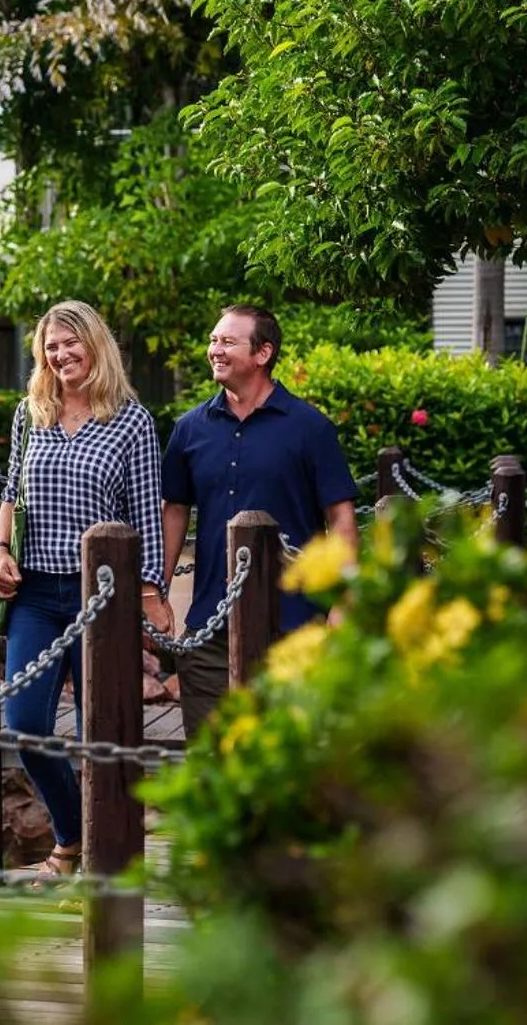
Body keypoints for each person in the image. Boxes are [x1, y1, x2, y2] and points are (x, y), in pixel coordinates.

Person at [0, 300, 165, 879]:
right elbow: (12, 490)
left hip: (103, 599)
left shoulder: (131, 421)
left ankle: (97, 857)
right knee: (25, 725)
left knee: (101, 734)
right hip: (36, 595)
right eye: (51, 345)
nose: (60, 354)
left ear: (95, 344)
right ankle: (73, 835)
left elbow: (144, 513)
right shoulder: (30, 412)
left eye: (71, 342)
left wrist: (149, 595)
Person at [161, 304, 357, 736]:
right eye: (213, 340)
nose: (215, 349)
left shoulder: (311, 428)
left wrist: (343, 601)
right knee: (212, 761)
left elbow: (340, 516)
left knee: (291, 761)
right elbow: (174, 512)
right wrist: (155, 591)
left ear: (263, 353)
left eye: (227, 341)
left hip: (294, 625)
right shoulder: (189, 430)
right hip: (209, 629)